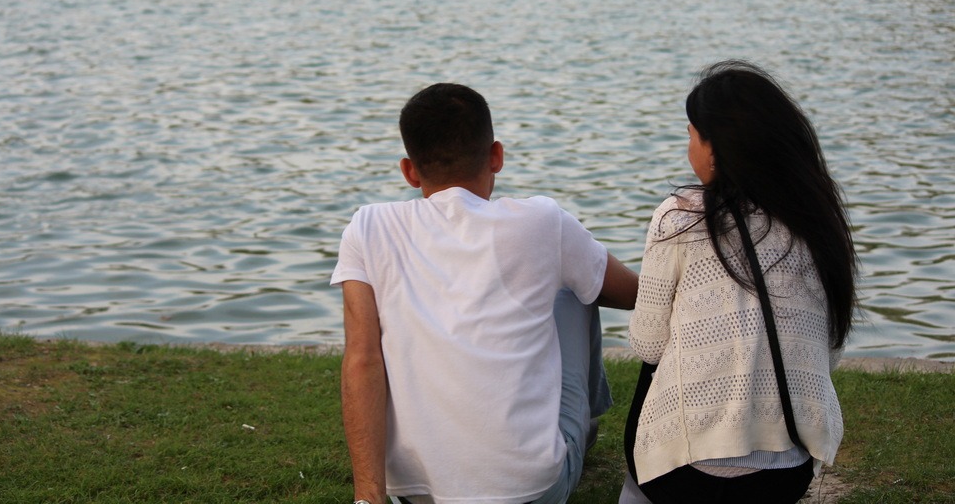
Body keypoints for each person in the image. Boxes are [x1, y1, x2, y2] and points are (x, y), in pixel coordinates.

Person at [332, 83, 640, 504]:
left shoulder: (368, 228)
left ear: (409, 170)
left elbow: (362, 359)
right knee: (576, 287)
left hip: (413, 493)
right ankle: (581, 431)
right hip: (530, 489)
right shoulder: (542, 221)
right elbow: (633, 294)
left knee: (571, 274)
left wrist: (369, 497)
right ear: (496, 155)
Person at [619, 60, 858, 504]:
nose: (687, 146)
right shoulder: (818, 221)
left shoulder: (681, 216)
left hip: (687, 477)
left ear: (716, 149)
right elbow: (828, 352)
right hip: (787, 473)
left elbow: (648, 345)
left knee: (657, 369)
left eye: (691, 134)